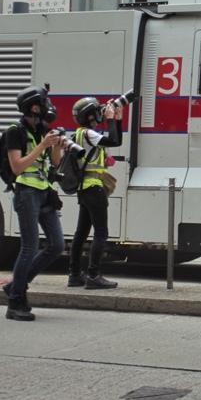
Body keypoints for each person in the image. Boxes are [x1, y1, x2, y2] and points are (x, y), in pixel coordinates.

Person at [2, 85, 67, 321]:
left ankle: (15, 286)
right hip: (26, 192)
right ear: (34, 106)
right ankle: (15, 302)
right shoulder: (14, 131)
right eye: (45, 102)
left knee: (57, 245)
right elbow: (17, 166)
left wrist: (57, 146)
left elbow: (55, 164)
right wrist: (42, 145)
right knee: (29, 247)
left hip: (45, 191)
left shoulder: (43, 129)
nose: (49, 107)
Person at [66, 96, 123, 289]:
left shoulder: (80, 133)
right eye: (97, 112)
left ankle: (74, 275)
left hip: (85, 189)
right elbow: (114, 141)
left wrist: (118, 118)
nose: (100, 114)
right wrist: (111, 119)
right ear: (90, 115)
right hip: (94, 189)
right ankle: (93, 275)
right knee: (101, 233)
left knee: (81, 233)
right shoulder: (89, 134)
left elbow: (115, 141)